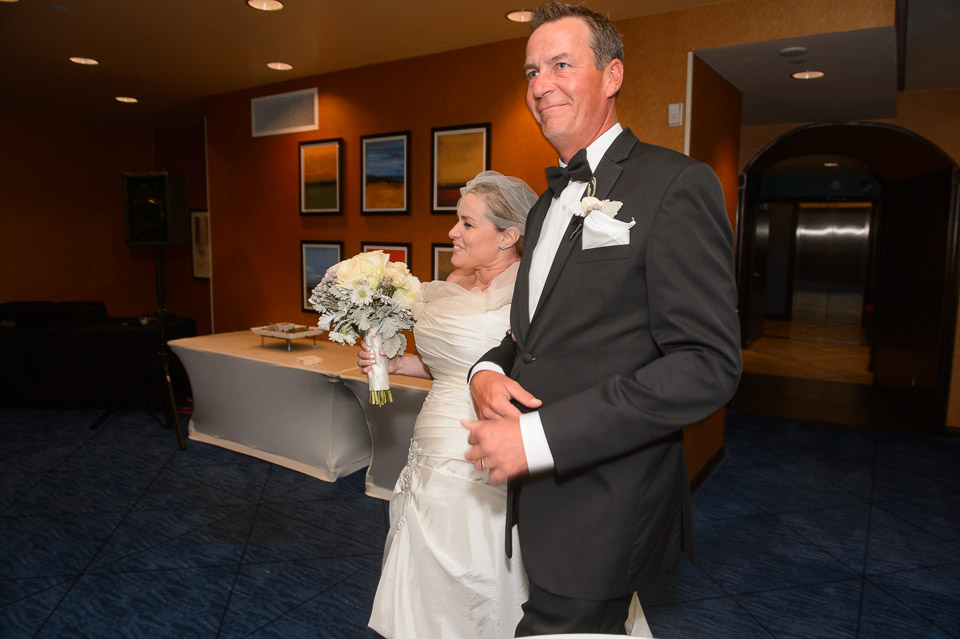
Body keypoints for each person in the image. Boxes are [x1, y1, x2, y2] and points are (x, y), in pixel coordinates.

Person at [463, 2, 743, 636]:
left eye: (561, 64)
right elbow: (529, 335)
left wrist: (539, 437)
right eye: (531, 71)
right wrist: (485, 371)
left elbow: (707, 365)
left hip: (609, 497)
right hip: (540, 492)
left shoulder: (676, 183)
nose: (540, 85)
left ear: (612, 75)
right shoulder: (542, 208)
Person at [362, 171, 535, 639]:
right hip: (431, 435)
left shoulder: (533, 291)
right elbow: (448, 366)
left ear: (508, 236)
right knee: (422, 560)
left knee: (479, 560)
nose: (452, 232)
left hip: (486, 439)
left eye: (467, 224)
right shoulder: (452, 283)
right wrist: (398, 363)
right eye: (456, 220)